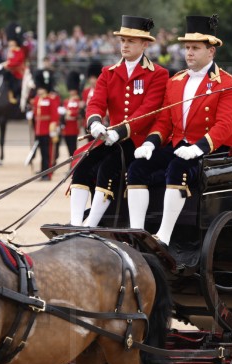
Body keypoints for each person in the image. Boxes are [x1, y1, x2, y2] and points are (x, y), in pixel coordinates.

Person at [126, 14, 232, 245]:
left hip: (214, 149)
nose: (189, 52)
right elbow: (164, 120)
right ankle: (136, 233)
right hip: (179, 144)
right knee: (137, 168)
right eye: (186, 47)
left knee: (177, 168)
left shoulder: (229, 84)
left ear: (211, 51)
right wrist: (150, 143)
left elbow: (224, 125)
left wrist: (198, 148)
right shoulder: (175, 81)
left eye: (195, 48)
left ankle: (164, 235)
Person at [68, 15, 168, 226]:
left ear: (144, 44)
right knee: (83, 163)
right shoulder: (108, 73)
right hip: (111, 137)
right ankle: (75, 223)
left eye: (131, 41)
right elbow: (96, 103)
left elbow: (148, 110)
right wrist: (95, 122)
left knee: (109, 167)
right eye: (123, 40)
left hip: (139, 141)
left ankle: (91, 224)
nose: (125, 45)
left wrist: (120, 131)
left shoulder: (158, 74)